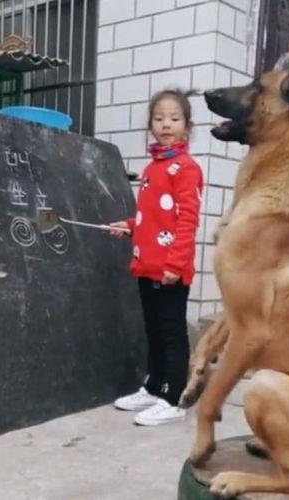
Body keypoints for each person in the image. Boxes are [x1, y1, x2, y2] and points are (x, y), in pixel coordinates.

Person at [109, 89, 203, 426]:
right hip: (147, 267)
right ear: (151, 124)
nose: (166, 124)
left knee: (171, 332)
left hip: (170, 270)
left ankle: (172, 397)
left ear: (187, 126)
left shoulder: (186, 168)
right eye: (159, 118)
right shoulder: (152, 168)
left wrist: (175, 265)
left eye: (174, 118)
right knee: (153, 330)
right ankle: (153, 387)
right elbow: (152, 217)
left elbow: (187, 220)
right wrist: (130, 226)